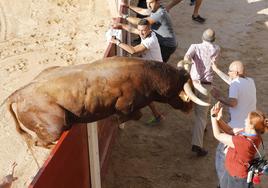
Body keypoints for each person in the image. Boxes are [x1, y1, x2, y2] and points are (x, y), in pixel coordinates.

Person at [110, 19, 164, 124]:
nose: (141, 33)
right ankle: (157, 115)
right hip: (152, 69)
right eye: (139, 30)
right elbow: (131, 29)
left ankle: (134, 114)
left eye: (143, 30)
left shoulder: (150, 40)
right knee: (143, 93)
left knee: (139, 91)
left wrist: (117, 42)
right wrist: (120, 25)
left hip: (156, 73)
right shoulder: (147, 33)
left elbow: (133, 51)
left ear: (149, 30)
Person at [211, 60, 257, 184]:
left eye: (230, 71)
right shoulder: (250, 81)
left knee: (222, 155)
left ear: (236, 72)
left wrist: (218, 97)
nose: (228, 73)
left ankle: (223, 183)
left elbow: (233, 102)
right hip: (249, 130)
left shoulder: (236, 84)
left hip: (236, 130)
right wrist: (216, 70)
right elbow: (232, 81)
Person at [210, 102, 268, 188]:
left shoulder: (245, 143)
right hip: (232, 172)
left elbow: (217, 135)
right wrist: (218, 119)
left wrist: (213, 116)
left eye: (247, 119)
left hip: (236, 179)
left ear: (251, 126)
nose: (245, 120)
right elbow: (230, 131)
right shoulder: (253, 134)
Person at [182, 28, 220, 156]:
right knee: (201, 115)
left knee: (198, 112)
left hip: (192, 84)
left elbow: (187, 57)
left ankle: (202, 128)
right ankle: (197, 144)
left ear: (202, 38)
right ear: (213, 39)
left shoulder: (195, 46)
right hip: (205, 86)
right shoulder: (216, 49)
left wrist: (187, 64)